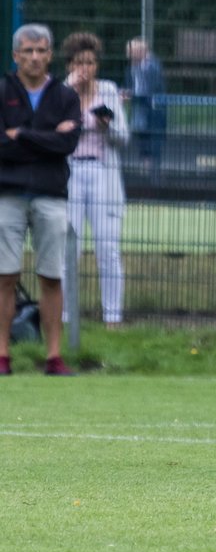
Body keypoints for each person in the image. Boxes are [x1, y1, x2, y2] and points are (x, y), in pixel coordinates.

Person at [0, 24, 82, 375]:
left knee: (51, 276)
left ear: (50, 55)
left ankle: (53, 357)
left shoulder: (66, 96)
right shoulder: (2, 91)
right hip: (8, 194)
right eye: (28, 51)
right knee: (5, 276)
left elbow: (67, 145)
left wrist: (22, 136)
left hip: (51, 196)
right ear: (15, 55)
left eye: (41, 50)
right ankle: (3, 356)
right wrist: (46, 139)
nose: (35, 57)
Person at [62, 32, 130, 328]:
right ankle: (63, 316)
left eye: (90, 62)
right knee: (67, 247)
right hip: (70, 173)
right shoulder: (60, 91)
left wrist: (108, 126)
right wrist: (69, 94)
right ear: (69, 65)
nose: (85, 69)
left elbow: (123, 137)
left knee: (108, 247)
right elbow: (51, 130)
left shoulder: (109, 91)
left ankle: (112, 317)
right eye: (79, 63)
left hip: (103, 172)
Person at [123, 37, 165, 175]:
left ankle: (154, 165)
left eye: (131, 53)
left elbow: (154, 85)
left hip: (153, 105)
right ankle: (145, 162)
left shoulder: (152, 65)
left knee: (153, 134)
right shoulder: (133, 66)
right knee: (141, 131)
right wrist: (128, 93)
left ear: (141, 51)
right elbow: (131, 84)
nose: (129, 56)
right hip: (139, 103)